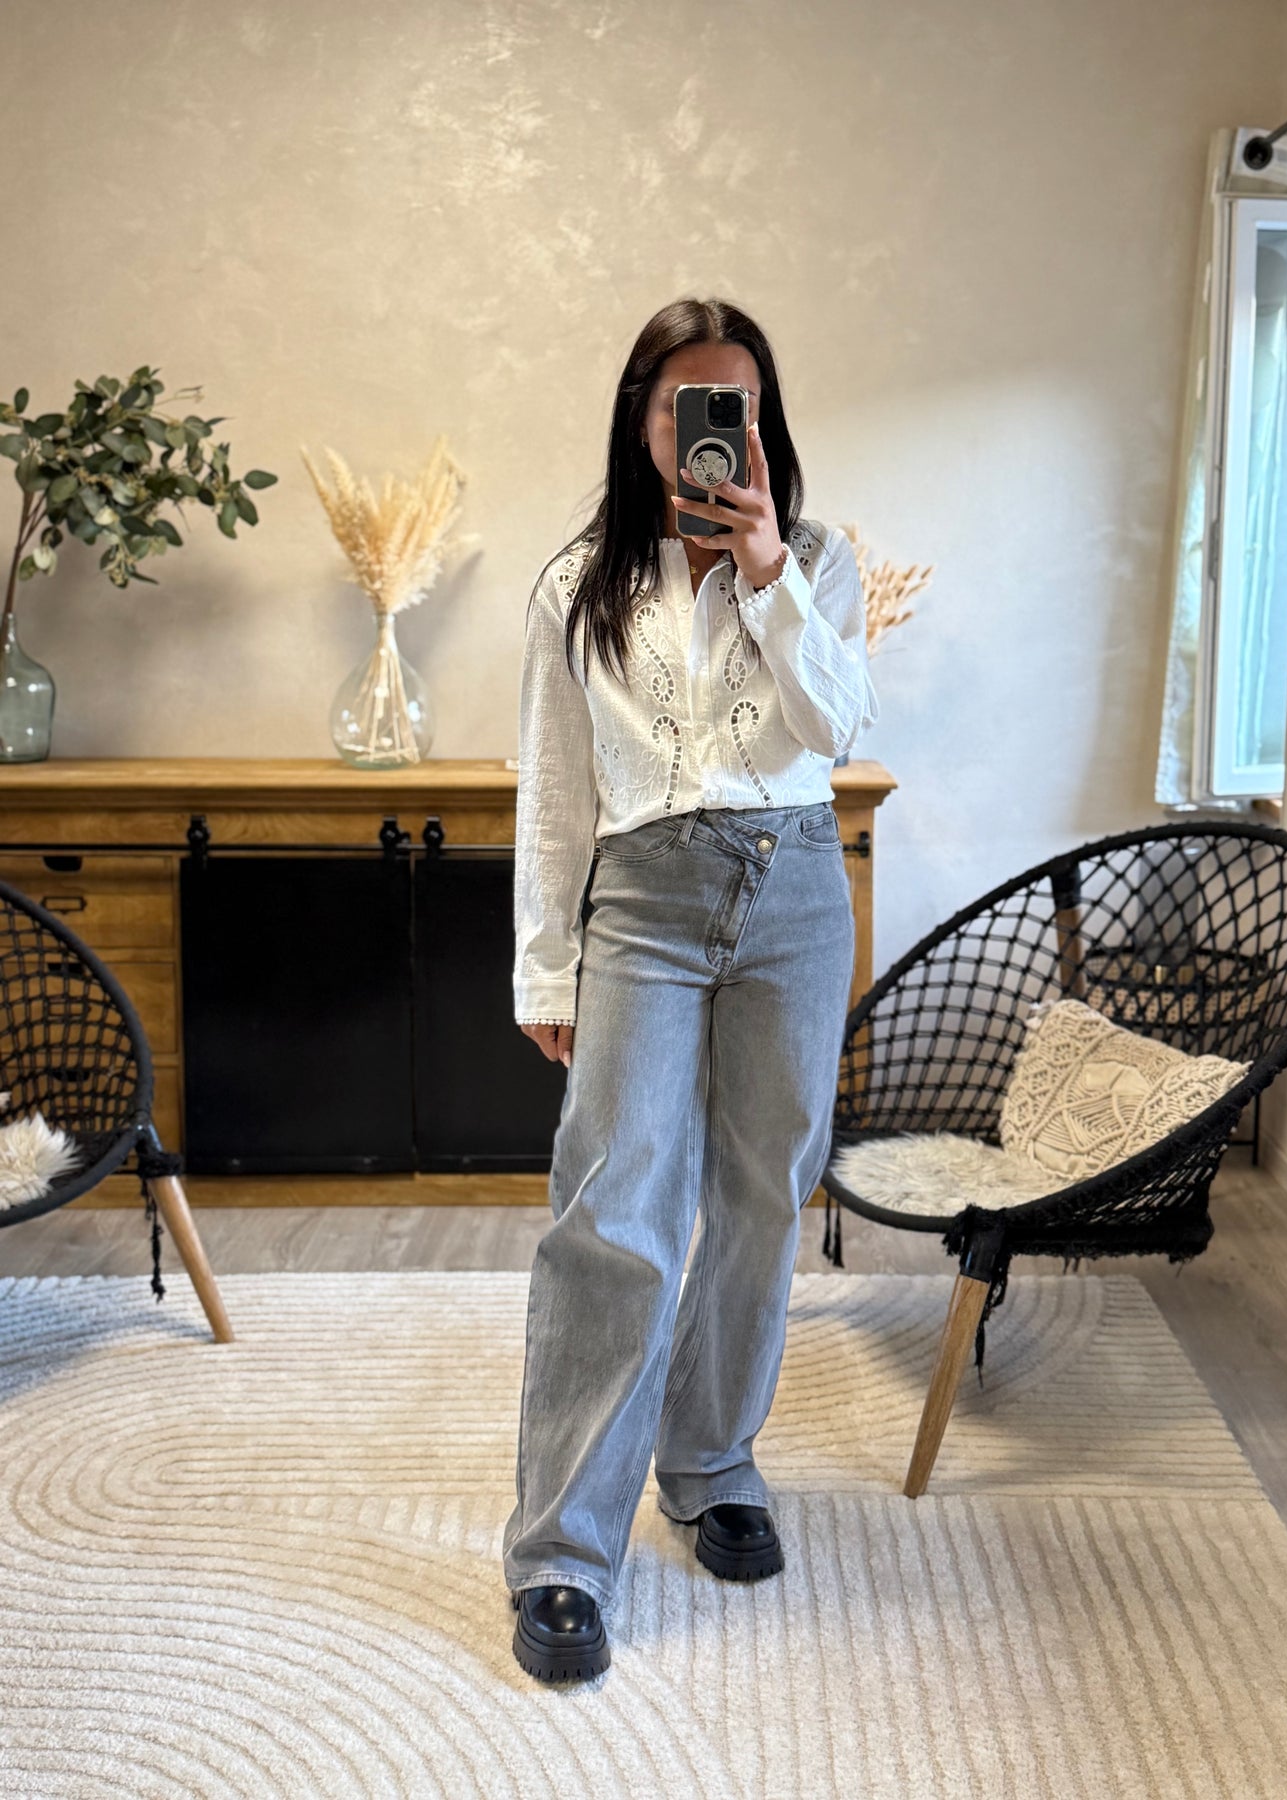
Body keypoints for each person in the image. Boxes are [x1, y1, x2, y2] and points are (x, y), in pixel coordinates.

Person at [504, 297, 880, 1684]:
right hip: (644, 903)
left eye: (740, 405)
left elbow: (835, 726)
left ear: (763, 422)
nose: (715, 428)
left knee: (762, 1194)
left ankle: (713, 1460)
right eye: (687, 404)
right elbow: (554, 791)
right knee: (614, 1210)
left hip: (794, 892)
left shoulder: (820, 561)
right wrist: (545, 962)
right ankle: (562, 1550)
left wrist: (768, 571)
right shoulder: (577, 585)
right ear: (643, 417)